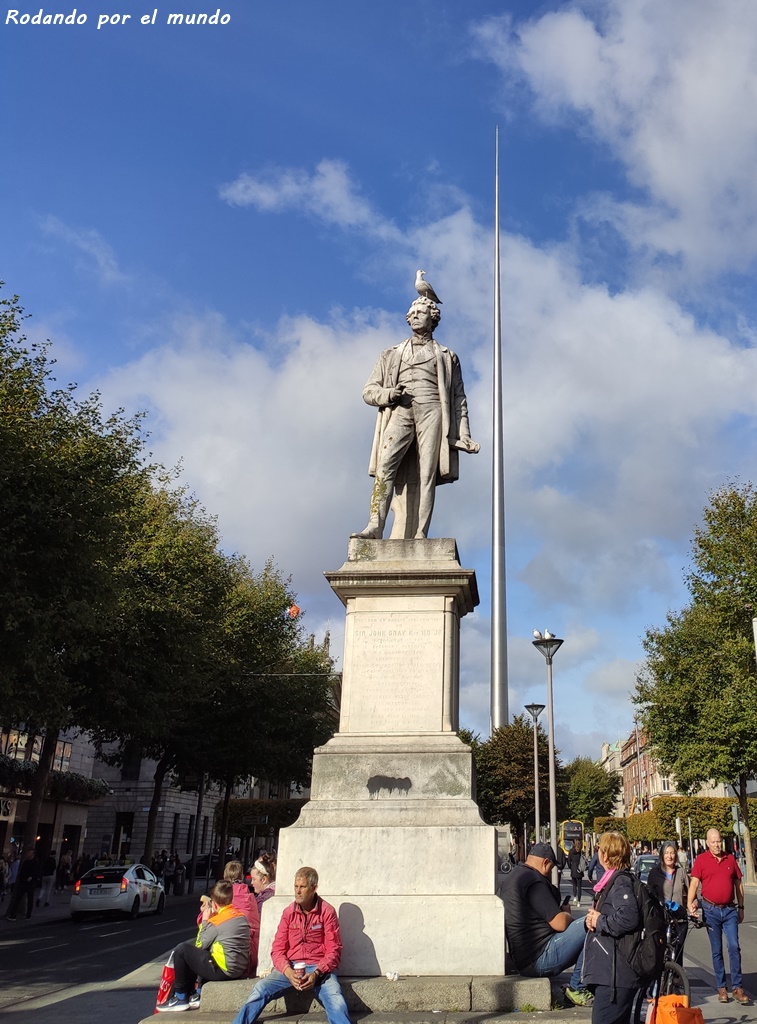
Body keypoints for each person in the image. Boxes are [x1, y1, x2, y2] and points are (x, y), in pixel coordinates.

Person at [352, 294, 479, 541]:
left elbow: (458, 399)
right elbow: (369, 390)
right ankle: (375, 526)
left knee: (426, 473)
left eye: (420, 312)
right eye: (411, 314)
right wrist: (388, 394)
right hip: (400, 409)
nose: (413, 316)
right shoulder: (391, 354)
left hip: (433, 410)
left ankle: (420, 533)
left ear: (433, 318)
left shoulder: (447, 355)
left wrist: (464, 434)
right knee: (384, 466)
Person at [230, 866, 351, 1024]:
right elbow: (278, 949)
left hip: (319, 969)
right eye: (296, 886)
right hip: (291, 968)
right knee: (260, 989)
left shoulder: (327, 912)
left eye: (302, 887)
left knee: (336, 1001)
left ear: (314, 888)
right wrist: (288, 972)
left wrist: (316, 973)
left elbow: (334, 951)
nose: (298, 891)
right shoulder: (289, 912)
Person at [501, 842, 592, 1007]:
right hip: (540, 958)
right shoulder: (533, 881)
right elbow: (560, 924)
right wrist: (567, 914)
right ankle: (577, 987)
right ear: (545, 862)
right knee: (590, 923)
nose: (550, 873)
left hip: (523, 959)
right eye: (551, 868)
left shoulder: (514, 876)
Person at [158, 880, 251, 1012]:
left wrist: (205, 920)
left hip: (224, 970)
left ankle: (180, 997)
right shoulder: (240, 916)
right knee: (199, 953)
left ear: (213, 903)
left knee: (182, 950)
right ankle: (196, 994)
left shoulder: (217, 920)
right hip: (238, 968)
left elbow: (200, 944)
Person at [583, 832, 642, 1024]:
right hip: (611, 975)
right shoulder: (611, 881)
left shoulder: (620, 882)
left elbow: (628, 917)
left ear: (605, 855)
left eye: (600, 848)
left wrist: (600, 921)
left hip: (616, 977)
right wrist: (593, 920)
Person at [688, 828, 750, 1005]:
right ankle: (721, 987)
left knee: (733, 946)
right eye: (713, 841)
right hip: (710, 911)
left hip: (730, 910)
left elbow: (738, 884)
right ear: (707, 843)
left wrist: (741, 907)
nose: (717, 844)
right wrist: (690, 903)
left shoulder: (730, 859)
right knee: (716, 950)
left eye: (718, 841)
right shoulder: (701, 860)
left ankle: (737, 987)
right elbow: (694, 882)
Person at [647, 841, 688, 962]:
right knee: (661, 950)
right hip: (662, 919)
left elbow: (691, 893)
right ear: (662, 855)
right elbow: (649, 895)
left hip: (680, 918)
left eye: (672, 853)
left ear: (676, 855)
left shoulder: (681, 872)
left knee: (678, 951)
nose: (669, 856)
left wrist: (693, 905)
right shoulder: (654, 873)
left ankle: (676, 978)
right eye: (666, 853)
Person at [222, 860, 261, 976]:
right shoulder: (250, 897)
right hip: (252, 954)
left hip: (230, 954)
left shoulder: (224, 898)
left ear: (224, 877)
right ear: (242, 877)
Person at [5, 849, 42, 920]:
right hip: (23, 882)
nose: (28, 854)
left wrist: (31, 877)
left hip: (30, 883)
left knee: (29, 898)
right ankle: (13, 915)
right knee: (18, 899)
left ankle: (28, 915)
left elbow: (36, 872)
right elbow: (22, 871)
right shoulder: (26, 862)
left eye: (30, 853)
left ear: (33, 854)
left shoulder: (35, 862)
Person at [567, 839, 587, 906]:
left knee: (574, 885)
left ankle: (575, 897)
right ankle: (579, 902)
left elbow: (569, 861)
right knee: (579, 886)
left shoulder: (570, 851)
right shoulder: (581, 852)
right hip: (580, 870)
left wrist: (570, 867)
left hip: (573, 869)